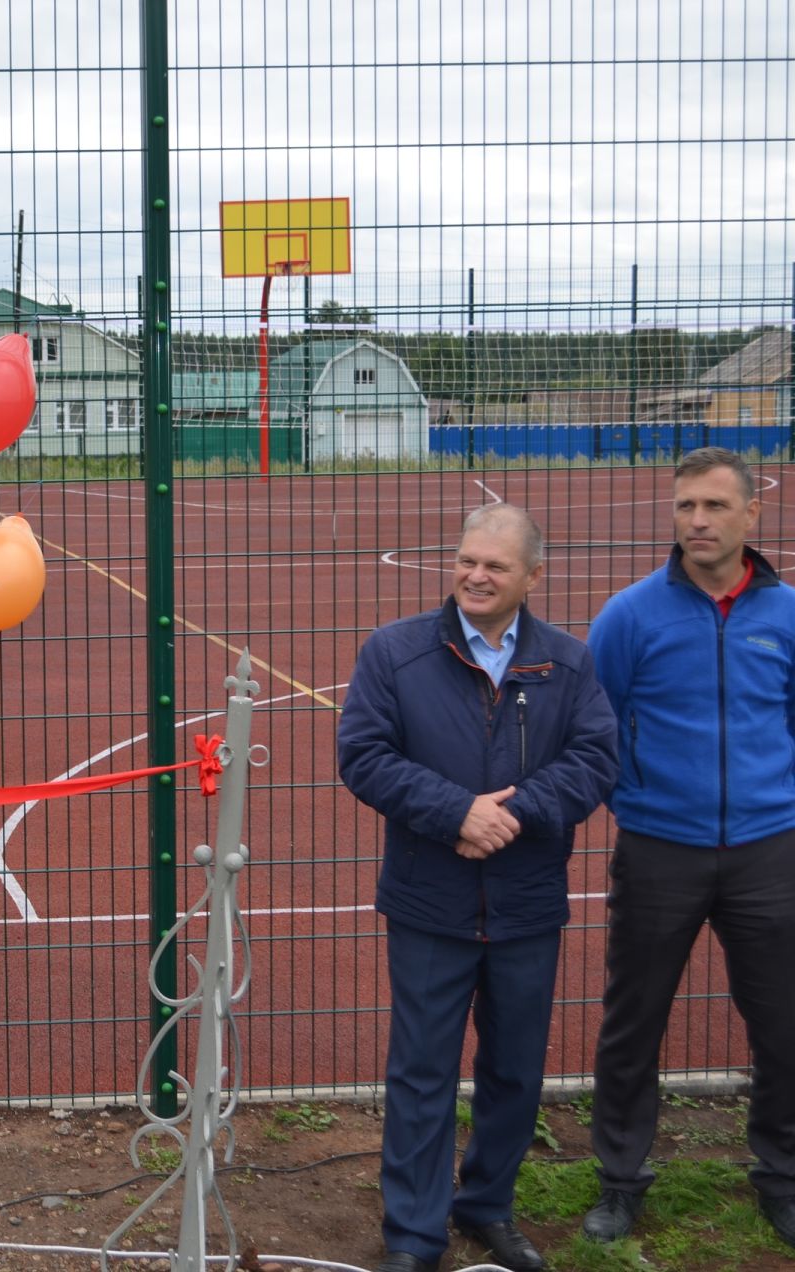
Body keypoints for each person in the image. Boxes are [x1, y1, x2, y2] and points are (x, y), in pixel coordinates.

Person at [338, 503, 618, 1272]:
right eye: (467, 560)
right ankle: (414, 1235)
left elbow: (595, 760)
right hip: (431, 900)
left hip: (527, 903)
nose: (476, 575)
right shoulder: (395, 653)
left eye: (496, 565)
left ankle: (487, 1203)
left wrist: (515, 814)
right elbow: (363, 754)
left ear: (533, 575)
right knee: (423, 1069)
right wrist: (453, 811)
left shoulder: (568, 663)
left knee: (515, 1068)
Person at [581, 447, 795, 1250]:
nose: (697, 521)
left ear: (752, 514)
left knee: (783, 1023)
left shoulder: (788, 617)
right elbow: (596, 731)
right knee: (633, 1022)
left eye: (713, 506)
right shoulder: (630, 617)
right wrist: (638, 802)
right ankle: (620, 1180)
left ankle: (780, 1175)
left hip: (769, 853)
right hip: (659, 850)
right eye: (684, 507)